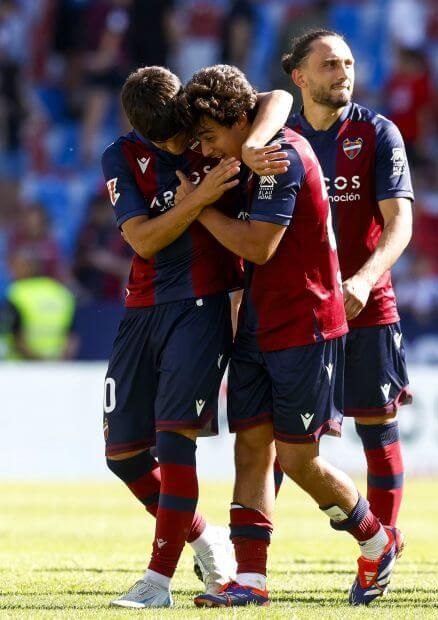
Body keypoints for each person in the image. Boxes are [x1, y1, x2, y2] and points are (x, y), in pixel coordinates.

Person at [181, 64, 401, 608]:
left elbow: (258, 246)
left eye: (210, 137)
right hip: (259, 321)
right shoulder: (247, 150)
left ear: (237, 122)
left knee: (298, 460)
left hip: (307, 323)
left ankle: (376, 541)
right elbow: (272, 96)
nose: (207, 151)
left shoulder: (283, 156)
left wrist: (199, 204)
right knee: (250, 448)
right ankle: (251, 581)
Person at [101, 65, 293, 608]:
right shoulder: (121, 155)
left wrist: (253, 145)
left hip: (204, 304)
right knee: (123, 455)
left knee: (174, 440)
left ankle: (157, 582)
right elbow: (141, 239)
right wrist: (202, 196)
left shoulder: (208, 127)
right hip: (141, 308)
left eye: (185, 135)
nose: (182, 145)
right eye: (166, 140)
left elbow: (277, 96)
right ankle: (206, 541)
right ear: (141, 132)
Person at [281, 29, 414, 529]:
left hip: (366, 301)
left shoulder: (378, 132)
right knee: (281, 437)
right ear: (300, 76)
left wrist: (361, 280)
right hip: (298, 309)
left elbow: (400, 222)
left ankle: (384, 548)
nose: (343, 74)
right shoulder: (278, 139)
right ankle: (253, 563)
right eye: (330, 65)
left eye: (349, 64)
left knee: (378, 427)